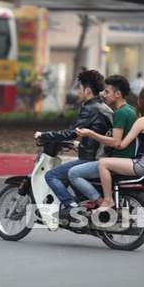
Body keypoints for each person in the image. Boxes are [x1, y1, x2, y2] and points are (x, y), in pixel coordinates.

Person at [34, 69, 113, 218]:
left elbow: (70, 132)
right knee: (67, 174)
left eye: (79, 88)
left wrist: (43, 135)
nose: (77, 91)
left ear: (88, 90)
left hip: (90, 160)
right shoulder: (105, 108)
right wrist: (81, 145)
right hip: (101, 156)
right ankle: (83, 202)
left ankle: (71, 206)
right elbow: (99, 133)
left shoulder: (90, 108)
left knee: (51, 176)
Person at [77, 87, 144, 211]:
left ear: (142, 102)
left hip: (143, 164)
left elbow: (121, 144)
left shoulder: (142, 121)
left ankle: (107, 200)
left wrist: (92, 134)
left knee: (103, 163)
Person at [67, 75, 137, 208]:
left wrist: (91, 133)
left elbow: (116, 142)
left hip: (118, 160)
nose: (104, 95)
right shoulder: (131, 110)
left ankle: (101, 202)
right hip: (128, 159)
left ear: (117, 94)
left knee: (73, 173)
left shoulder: (120, 113)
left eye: (107, 92)